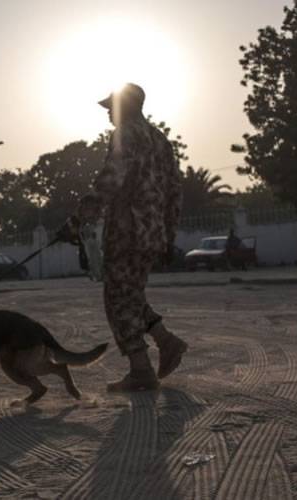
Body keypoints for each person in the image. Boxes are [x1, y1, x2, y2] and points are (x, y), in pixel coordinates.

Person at [58, 83, 187, 391]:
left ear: (126, 108)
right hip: (152, 233)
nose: (108, 117)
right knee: (131, 294)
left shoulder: (126, 134)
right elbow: (174, 192)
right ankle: (165, 341)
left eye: (110, 109)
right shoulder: (161, 140)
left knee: (117, 298)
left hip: (127, 232)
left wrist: (77, 220)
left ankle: (141, 368)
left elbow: (110, 181)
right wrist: (168, 236)